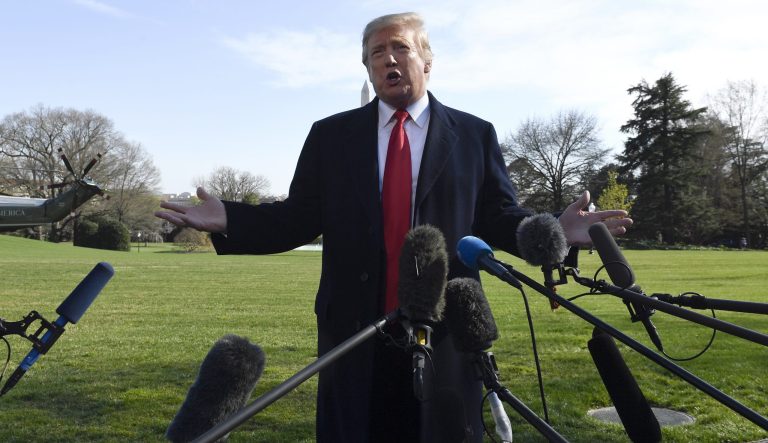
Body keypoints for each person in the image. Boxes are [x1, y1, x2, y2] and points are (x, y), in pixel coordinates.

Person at [156, 12, 632, 443]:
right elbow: (296, 218)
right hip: (352, 336)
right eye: (375, 54)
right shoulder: (331, 136)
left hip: (444, 332)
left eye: (399, 48)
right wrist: (230, 218)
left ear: (427, 59)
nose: (388, 59)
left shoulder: (474, 135)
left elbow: (497, 219)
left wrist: (551, 230)